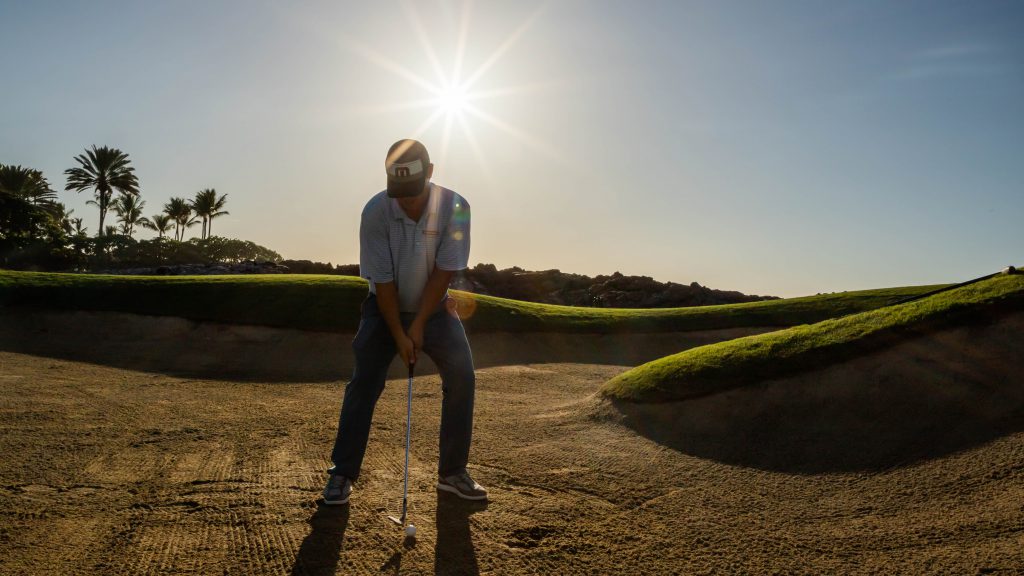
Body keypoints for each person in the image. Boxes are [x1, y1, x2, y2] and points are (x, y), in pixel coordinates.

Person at [323, 139, 487, 505]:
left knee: (463, 376)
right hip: (384, 309)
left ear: (430, 173)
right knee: (364, 380)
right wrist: (399, 332)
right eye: (400, 194)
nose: (407, 202)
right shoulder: (376, 212)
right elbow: (383, 283)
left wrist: (419, 325)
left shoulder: (456, 207)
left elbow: (444, 272)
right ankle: (342, 474)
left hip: (436, 306)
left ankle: (453, 472)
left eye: (413, 193)